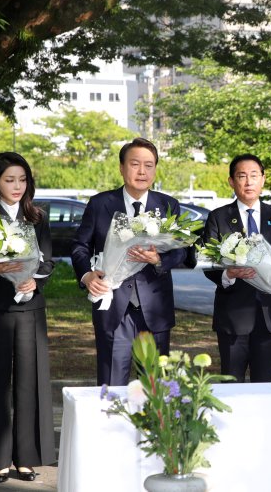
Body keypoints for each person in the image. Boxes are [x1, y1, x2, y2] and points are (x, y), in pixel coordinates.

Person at [71, 138, 188, 386]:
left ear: (155, 169)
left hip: (154, 308)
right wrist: (87, 275)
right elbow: (80, 247)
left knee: (155, 387)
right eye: (135, 164)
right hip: (113, 306)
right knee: (112, 386)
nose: (142, 171)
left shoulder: (168, 205)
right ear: (122, 168)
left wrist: (158, 259)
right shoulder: (100, 204)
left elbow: (182, 252)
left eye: (149, 165)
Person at [0, 152, 55, 483]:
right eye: (9, 180)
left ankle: (26, 458)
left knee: (29, 381)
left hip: (30, 308)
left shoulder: (38, 216)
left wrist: (38, 280)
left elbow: (48, 261)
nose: (17, 186)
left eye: (22, 179)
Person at [203, 153, 271, 383]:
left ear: (263, 179)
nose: (248, 182)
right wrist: (228, 274)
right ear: (231, 181)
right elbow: (208, 264)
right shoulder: (219, 217)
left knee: (265, 384)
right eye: (242, 176)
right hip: (233, 316)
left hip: (269, 314)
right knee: (231, 384)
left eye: (254, 175)